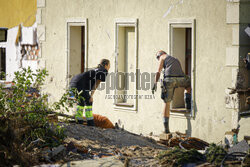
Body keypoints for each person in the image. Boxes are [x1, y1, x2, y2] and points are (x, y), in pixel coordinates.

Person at [152, 50, 190, 133]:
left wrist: (155, 83)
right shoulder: (174, 59)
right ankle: (188, 105)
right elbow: (182, 73)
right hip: (181, 79)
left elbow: (158, 71)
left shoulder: (162, 57)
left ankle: (166, 129)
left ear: (159, 55)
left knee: (167, 103)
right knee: (188, 84)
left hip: (169, 80)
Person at [70, 59, 110, 126]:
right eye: (109, 65)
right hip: (79, 85)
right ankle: (90, 123)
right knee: (89, 101)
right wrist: (91, 96)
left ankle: (79, 121)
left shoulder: (96, 69)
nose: (109, 67)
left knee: (81, 102)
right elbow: (97, 83)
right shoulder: (104, 70)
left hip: (73, 83)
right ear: (106, 65)